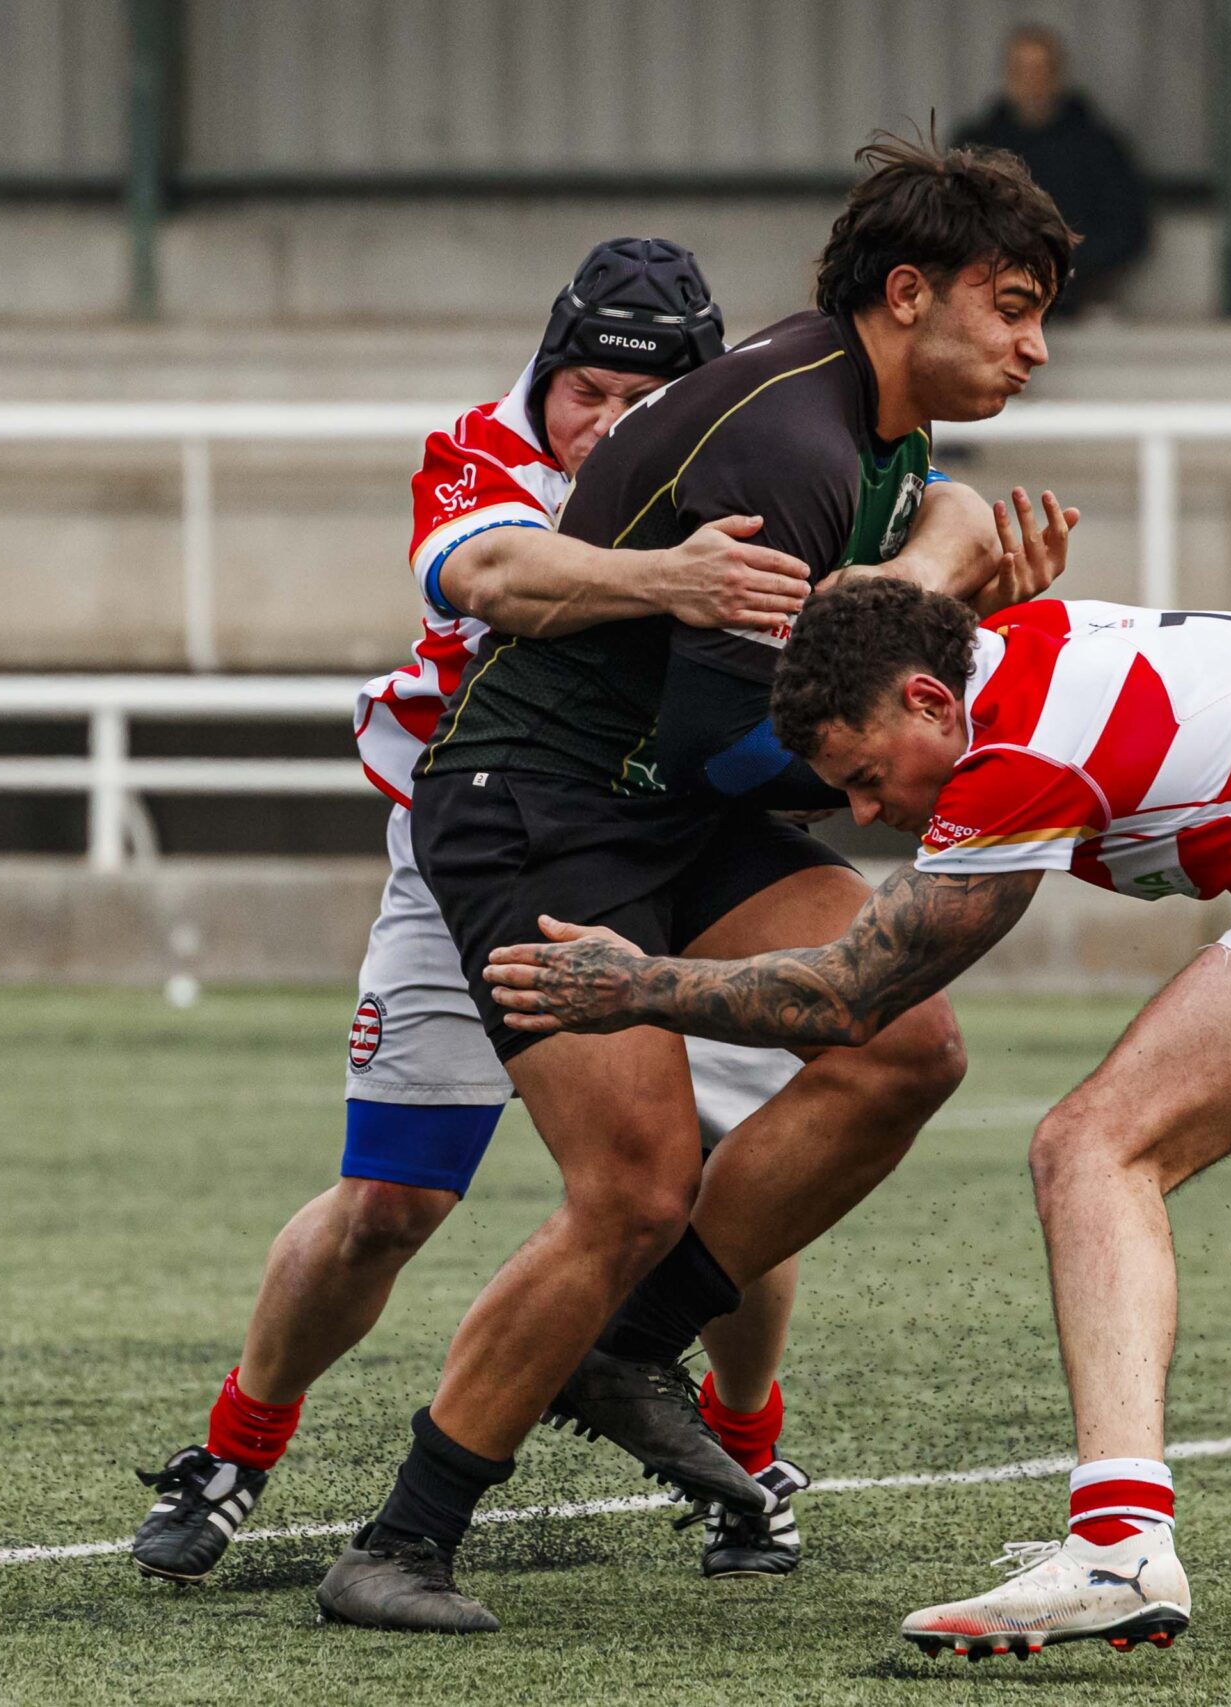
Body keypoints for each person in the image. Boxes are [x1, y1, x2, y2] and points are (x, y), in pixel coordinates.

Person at [485, 581, 1231, 1658]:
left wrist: (635, 986)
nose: (864, 811)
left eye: (865, 776)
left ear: (928, 700)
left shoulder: (1012, 757)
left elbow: (852, 995)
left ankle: (1119, 1546)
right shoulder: (1023, 645)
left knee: (1091, 1144)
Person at [312, 135, 1079, 1634]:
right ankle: (399, 1540)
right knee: (636, 1187)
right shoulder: (791, 440)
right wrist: (913, 680)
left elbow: (791, 696)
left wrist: (931, 595)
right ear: (907, 293)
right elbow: (732, 745)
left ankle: (628, 1345)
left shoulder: (873, 422)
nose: (1035, 346)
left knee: (906, 1041)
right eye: (1013, 306)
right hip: (539, 805)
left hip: (661, 804)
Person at [129, 240, 827, 1588]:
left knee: (729, 1171)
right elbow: (498, 576)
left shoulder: (753, 459)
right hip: (479, 849)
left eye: (644, 399)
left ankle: (748, 1459)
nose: (607, 423)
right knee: (390, 1195)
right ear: (544, 373)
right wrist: (674, 578)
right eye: (585, 391)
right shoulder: (478, 450)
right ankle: (234, 1450)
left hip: (670, 846)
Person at [951, 24, 1149, 314]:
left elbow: (1127, 228)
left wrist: (1066, 263)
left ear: (1057, 74)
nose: (1032, 82)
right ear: (1007, 74)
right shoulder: (976, 146)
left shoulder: (1098, 147)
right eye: (1021, 70)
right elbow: (952, 221)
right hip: (989, 300)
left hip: (1077, 301)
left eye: (1041, 70)